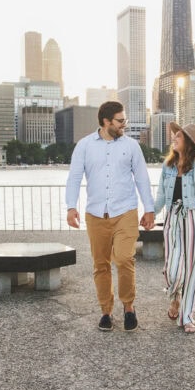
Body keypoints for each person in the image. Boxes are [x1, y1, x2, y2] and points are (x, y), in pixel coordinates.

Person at [65, 101, 155, 332]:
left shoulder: (132, 146)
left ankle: (128, 307)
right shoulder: (84, 146)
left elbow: (142, 178)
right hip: (95, 214)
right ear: (106, 122)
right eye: (120, 120)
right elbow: (74, 177)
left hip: (125, 211)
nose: (125, 124)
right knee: (101, 265)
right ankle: (106, 311)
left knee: (125, 259)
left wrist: (149, 209)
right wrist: (70, 207)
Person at [154, 122, 195, 334]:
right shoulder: (168, 166)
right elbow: (161, 194)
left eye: (178, 136)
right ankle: (175, 296)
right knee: (173, 269)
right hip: (173, 219)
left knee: (194, 269)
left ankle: (187, 316)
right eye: (174, 135)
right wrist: (150, 213)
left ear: (188, 142)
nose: (173, 138)